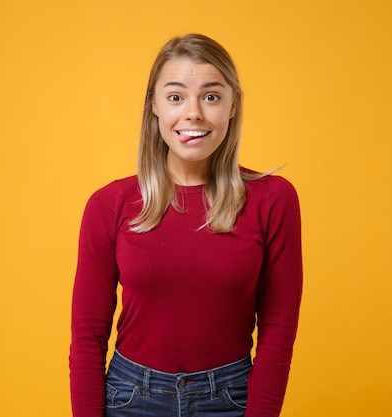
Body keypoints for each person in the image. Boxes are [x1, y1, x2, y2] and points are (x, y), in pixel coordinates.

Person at [69, 34, 303, 417]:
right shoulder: (108, 204)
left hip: (231, 399)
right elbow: (87, 336)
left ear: (232, 106)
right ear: (154, 107)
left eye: (211, 96)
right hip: (130, 399)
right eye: (176, 97)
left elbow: (278, 331)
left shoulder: (273, 199)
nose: (193, 113)